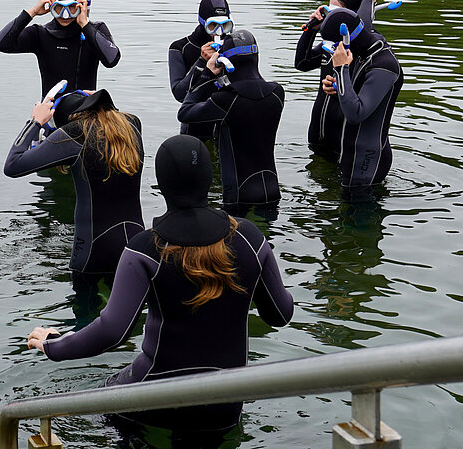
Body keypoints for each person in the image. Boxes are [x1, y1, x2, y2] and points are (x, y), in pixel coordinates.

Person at [27, 135, 294, 448]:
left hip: (152, 402)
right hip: (226, 404)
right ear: (209, 179)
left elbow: (113, 331)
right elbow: (280, 314)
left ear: (161, 185)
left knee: (103, 408)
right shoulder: (249, 238)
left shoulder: (144, 248)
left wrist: (55, 345)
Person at [3, 89, 143, 274]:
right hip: (136, 242)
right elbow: (109, 116)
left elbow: (12, 165)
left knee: (87, 300)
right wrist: (93, 99)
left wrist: (35, 121)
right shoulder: (131, 124)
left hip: (94, 249)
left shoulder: (74, 134)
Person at [178, 30, 284, 207]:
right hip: (272, 190)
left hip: (239, 195)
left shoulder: (225, 100)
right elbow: (254, 86)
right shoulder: (277, 92)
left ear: (225, 62)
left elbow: (184, 112)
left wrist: (207, 75)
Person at [319, 8, 403, 200]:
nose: (334, 51)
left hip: (367, 159)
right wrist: (336, 88)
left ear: (346, 38)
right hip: (352, 153)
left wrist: (341, 69)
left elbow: (356, 113)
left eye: (335, 45)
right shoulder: (364, 49)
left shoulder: (384, 65)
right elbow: (356, 95)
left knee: (359, 225)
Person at [0, 0, 120, 97]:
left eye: (72, 7)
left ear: (80, 6)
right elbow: (1, 44)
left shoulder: (95, 30)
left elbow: (112, 60)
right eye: (59, 8)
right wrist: (32, 12)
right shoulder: (40, 33)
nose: (65, 15)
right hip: (51, 112)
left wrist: (85, 25)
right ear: (51, 6)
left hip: (86, 111)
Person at [294, 0, 377, 157]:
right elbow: (302, 63)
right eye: (329, 10)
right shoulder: (329, 46)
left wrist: (367, 2)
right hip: (318, 127)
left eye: (336, 11)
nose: (330, 16)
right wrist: (311, 30)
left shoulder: (363, 50)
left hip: (344, 132)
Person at [168, 0, 233, 140]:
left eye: (225, 26)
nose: (219, 32)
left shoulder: (235, 45)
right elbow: (179, 94)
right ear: (202, 22)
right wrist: (201, 62)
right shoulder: (181, 47)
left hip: (228, 125)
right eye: (213, 26)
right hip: (194, 128)